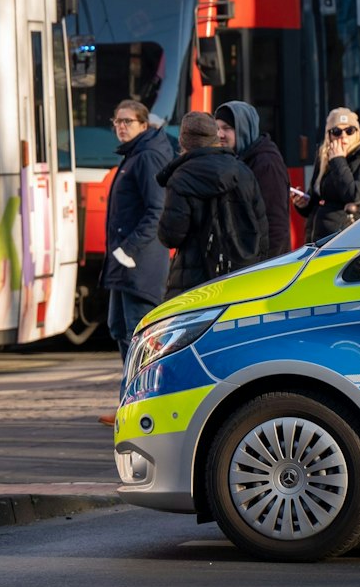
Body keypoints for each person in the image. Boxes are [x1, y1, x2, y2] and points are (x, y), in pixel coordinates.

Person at [101, 100, 174, 398]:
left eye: (127, 121)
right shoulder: (133, 154)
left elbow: (157, 209)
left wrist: (129, 249)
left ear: (144, 125)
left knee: (139, 337)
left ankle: (141, 401)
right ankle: (128, 400)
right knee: (119, 329)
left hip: (138, 264)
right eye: (117, 121)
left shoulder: (146, 157)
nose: (120, 126)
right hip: (123, 264)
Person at [156, 111, 268, 297]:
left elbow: (171, 236)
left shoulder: (180, 177)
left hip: (194, 281)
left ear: (182, 141)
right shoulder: (242, 170)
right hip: (242, 276)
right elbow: (262, 228)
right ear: (215, 137)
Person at [294, 107, 360, 243]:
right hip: (318, 241)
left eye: (349, 131)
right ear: (329, 135)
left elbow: (355, 194)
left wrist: (338, 161)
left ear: (357, 133)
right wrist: (302, 204)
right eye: (337, 132)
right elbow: (315, 202)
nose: (343, 136)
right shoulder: (325, 157)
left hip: (349, 241)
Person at [216, 101, 293, 261]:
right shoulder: (237, 160)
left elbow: (276, 225)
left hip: (265, 269)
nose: (220, 135)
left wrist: (266, 268)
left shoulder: (266, 164)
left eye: (227, 128)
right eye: (217, 128)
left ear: (243, 129)